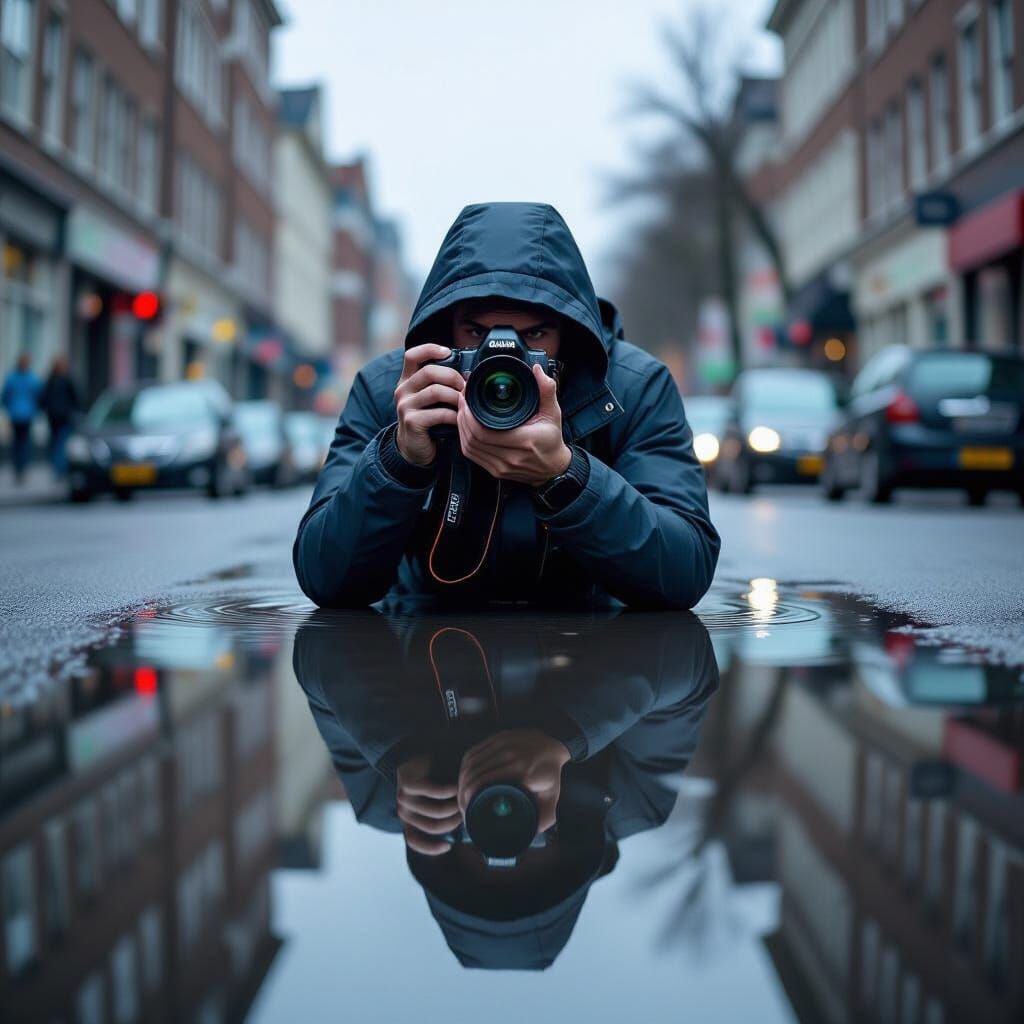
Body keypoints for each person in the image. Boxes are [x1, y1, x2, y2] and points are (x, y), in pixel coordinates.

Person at [294, 202, 720, 609]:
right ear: (444, 331)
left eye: (534, 336)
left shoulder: (633, 390)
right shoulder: (395, 389)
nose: (503, 359)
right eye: (475, 334)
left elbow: (684, 570)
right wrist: (400, 460)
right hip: (423, 634)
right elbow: (325, 577)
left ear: (569, 335)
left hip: (589, 644)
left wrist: (564, 475)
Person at [2, 352, 42, 483]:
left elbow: (5, 396)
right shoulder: (32, 379)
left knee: (17, 443)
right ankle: (22, 469)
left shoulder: (12, 378)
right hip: (26, 414)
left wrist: (8, 408)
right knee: (24, 443)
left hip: (15, 414)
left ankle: (18, 469)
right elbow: (38, 396)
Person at [41, 355, 81, 477]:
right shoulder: (67, 380)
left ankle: (58, 468)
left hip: (54, 416)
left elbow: (44, 398)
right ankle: (60, 468)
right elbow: (76, 398)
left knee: (56, 443)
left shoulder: (50, 380)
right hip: (62, 417)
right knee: (61, 443)